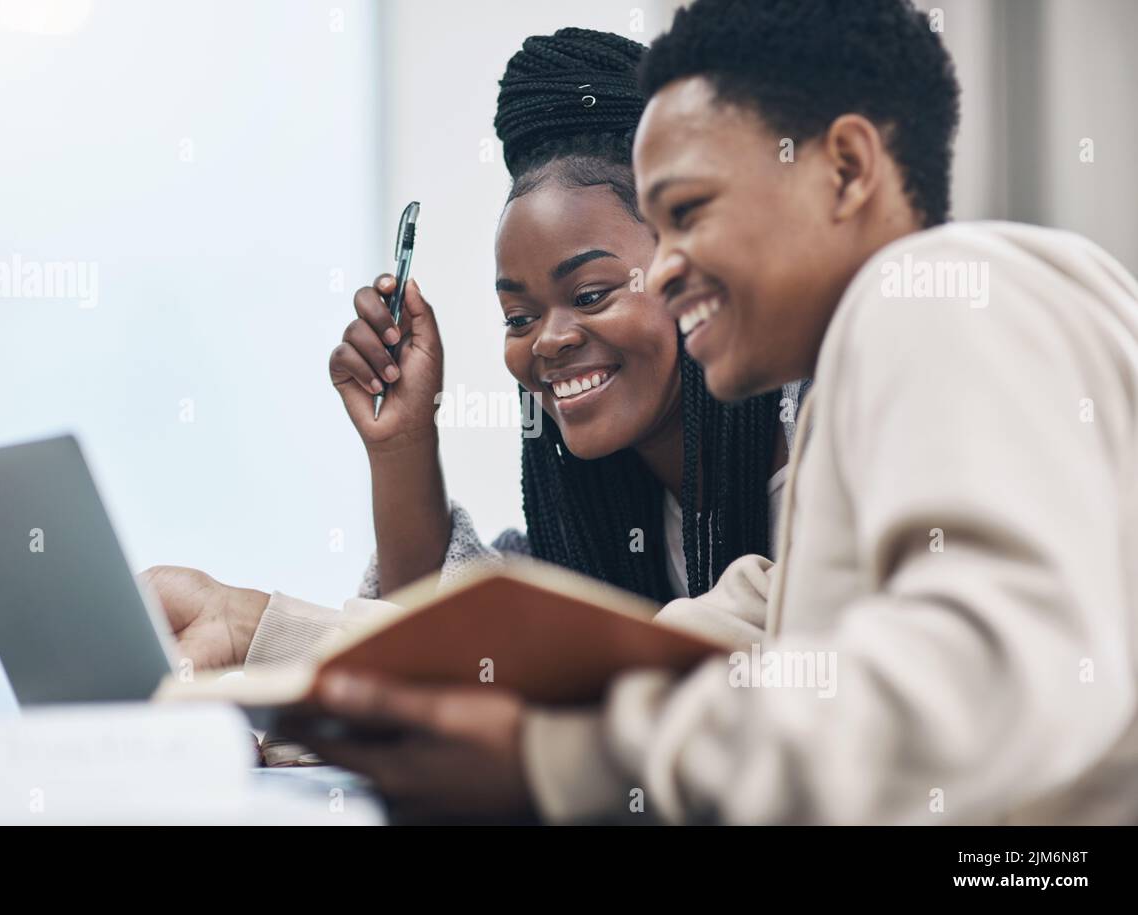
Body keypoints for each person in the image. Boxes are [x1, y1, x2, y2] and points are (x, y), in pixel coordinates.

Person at [283, 0, 1138, 825]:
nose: (664, 267)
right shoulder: (831, 465)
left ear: (846, 168)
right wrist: (273, 636)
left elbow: (990, 681)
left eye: (687, 213)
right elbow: (670, 658)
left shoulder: (932, 293)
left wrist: (560, 761)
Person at [145, 28, 804, 675]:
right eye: (519, 317)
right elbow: (454, 660)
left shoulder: (830, 442)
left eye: (591, 293)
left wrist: (256, 628)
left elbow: (591, 675)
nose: (549, 339)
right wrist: (402, 448)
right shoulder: (589, 532)